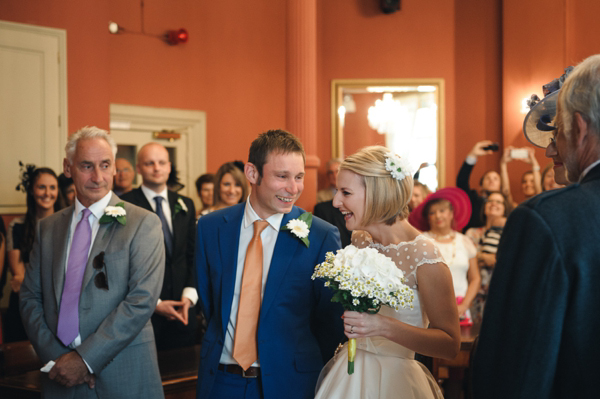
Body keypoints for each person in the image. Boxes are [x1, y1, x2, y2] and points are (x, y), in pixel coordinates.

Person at [472, 56, 600, 398]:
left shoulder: (546, 220)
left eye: (558, 132)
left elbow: (513, 366)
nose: (548, 152)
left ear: (581, 128)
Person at [195, 129, 344, 399]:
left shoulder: (321, 235)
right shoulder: (211, 227)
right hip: (221, 380)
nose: (293, 188)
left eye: (299, 177)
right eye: (282, 176)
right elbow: (210, 303)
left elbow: (329, 320)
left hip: (291, 383)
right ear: (252, 173)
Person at [19, 126, 165, 398]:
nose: (98, 177)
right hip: (60, 376)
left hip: (124, 373)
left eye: (105, 165)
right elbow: (30, 297)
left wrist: (84, 360)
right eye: (87, 166)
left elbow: (141, 300)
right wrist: (58, 359)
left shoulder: (143, 223)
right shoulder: (48, 228)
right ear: (68, 167)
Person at [315, 146, 460, 399]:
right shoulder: (360, 240)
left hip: (397, 382)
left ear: (377, 195)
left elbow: (450, 345)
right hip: (350, 376)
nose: (336, 201)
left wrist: (383, 326)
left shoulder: (425, 258)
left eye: (346, 192)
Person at [121, 143, 198, 351]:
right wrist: (154, 303)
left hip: (184, 310)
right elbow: (122, 263)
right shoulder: (124, 205)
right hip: (143, 314)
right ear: (138, 168)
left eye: (162, 163)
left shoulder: (186, 204)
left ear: (169, 166)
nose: (157, 168)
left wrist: (189, 297)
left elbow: (193, 255)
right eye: (149, 163)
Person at [6, 166, 65, 343]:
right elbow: (18, 276)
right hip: (25, 305)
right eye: (41, 187)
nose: (47, 193)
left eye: (52, 187)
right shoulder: (17, 226)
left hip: (60, 305)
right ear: (32, 190)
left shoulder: (69, 223)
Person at [409, 187, 480, 325]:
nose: (438, 216)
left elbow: (475, 278)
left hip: (461, 311)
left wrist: (465, 305)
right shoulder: (422, 241)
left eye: (442, 211)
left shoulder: (465, 241)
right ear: (427, 217)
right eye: (432, 212)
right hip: (429, 311)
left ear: (451, 213)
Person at [464, 191, 512, 322]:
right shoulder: (472, 232)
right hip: (475, 293)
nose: (493, 204)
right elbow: (466, 259)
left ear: (505, 209)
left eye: (498, 202)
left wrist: (480, 257)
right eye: (490, 201)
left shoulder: (510, 234)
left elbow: (511, 260)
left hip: (500, 293)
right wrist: (488, 258)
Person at [456, 140, 502, 230]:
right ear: (481, 186)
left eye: (495, 178)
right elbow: (462, 182)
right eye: (488, 178)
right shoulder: (472, 199)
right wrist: (473, 155)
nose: (491, 180)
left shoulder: (505, 203)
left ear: (500, 186)